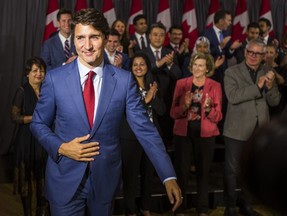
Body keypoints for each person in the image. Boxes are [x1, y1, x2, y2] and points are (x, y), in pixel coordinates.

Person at [30, 8, 182, 216]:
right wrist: (61, 148)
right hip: (64, 179)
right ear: (73, 41)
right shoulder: (55, 79)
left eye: (94, 37)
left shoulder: (123, 80)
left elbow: (145, 129)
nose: (88, 45)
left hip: (104, 181)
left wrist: (168, 175)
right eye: (81, 38)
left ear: (105, 38)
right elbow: (38, 124)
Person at [223, 38, 281, 216]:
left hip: (259, 130)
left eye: (258, 53)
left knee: (251, 170)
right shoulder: (232, 72)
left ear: (264, 56)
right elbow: (233, 96)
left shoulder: (268, 71)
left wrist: (270, 87)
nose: (253, 56)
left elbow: (275, 101)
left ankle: (246, 205)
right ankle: (230, 206)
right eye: (250, 52)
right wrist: (258, 86)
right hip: (236, 129)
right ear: (245, 52)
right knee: (232, 171)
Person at [170, 53, 222, 216]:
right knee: (182, 173)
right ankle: (180, 209)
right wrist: (185, 106)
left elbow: (218, 116)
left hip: (206, 135)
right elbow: (173, 113)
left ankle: (203, 209)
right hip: (183, 135)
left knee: (203, 173)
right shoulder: (181, 84)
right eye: (195, 64)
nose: (197, 68)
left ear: (207, 68)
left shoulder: (215, 86)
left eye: (201, 65)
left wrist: (208, 109)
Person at [120, 52, 165, 216]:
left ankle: (146, 208)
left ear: (147, 67)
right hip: (130, 138)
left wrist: (153, 97)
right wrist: (146, 100)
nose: (139, 67)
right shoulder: (125, 86)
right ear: (131, 68)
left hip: (150, 138)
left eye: (142, 64)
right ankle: (130, 211)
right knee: (130, 177)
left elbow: (161, 110)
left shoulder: (153, 84)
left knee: (148, 176)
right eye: (135, 65)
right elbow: (124, 113)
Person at [11, 57, 48, 216]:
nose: (38, 74)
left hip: (43, 139)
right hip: (26, 140)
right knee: (27, 179)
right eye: (35, 70)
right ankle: (27, 212)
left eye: (41, 70)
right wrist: (34, 118)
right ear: (28, 73)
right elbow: (14, 117)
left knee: (42, 178)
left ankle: (41, 210)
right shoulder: (22, 91)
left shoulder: (48, 90)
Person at [141, 22, 182, 148]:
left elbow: (178, 75)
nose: (158, 38)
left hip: (168, 100)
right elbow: (145, 71)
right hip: (150, 101)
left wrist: (169, 64)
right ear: (149, 36)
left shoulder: (170, 53)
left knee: (166, 138)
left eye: (161, 35)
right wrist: (160, 63)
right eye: (155, 35)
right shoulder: (143, 53)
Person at [241, 115, 287, 215]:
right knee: (233, 170)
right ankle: (235, 205)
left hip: (263, 126)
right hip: (241, 129)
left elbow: (273, 102)